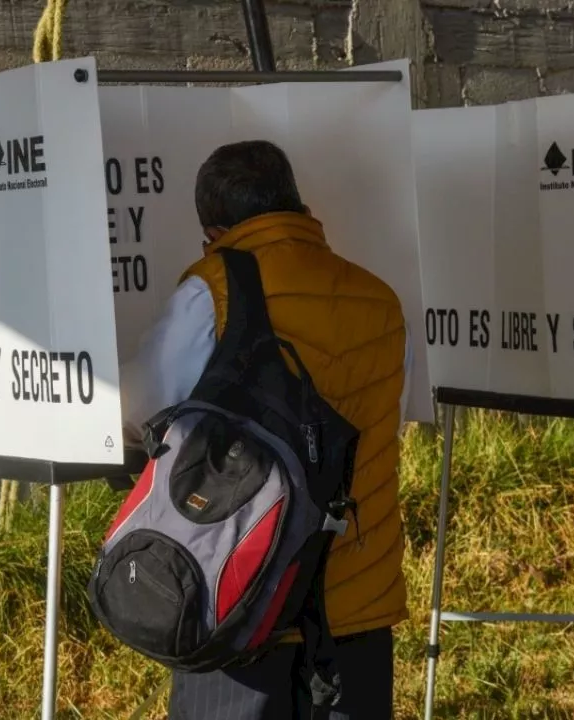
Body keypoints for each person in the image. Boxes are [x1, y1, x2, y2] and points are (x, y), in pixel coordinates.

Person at [117, 139, 413, 719]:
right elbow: (388, 426)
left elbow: (139, 407)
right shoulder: (382, 300)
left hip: (246, 598)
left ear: (215, 230)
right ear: (299, 207)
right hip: (358, 605)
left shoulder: (214, 291)